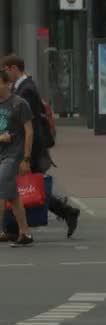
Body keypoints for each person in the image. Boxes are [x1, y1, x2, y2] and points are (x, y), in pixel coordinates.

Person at [1, 55, 80, 238]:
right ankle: (22, 227)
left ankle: (17, 228)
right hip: (21, 148)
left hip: (27, 149)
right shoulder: (22, 87)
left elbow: (30, 126)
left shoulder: (26, 90)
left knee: (26, 187)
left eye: (5, 70)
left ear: (13, 68)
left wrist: (27, 156)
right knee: (26, 187)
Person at [0, 69, 33, 246]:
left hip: (13, 155)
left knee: (1, 188)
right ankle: (25, 233)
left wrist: (26, 158)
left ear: (7, 84)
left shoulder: (19, 104)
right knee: (12, 195)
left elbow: (29, 131)